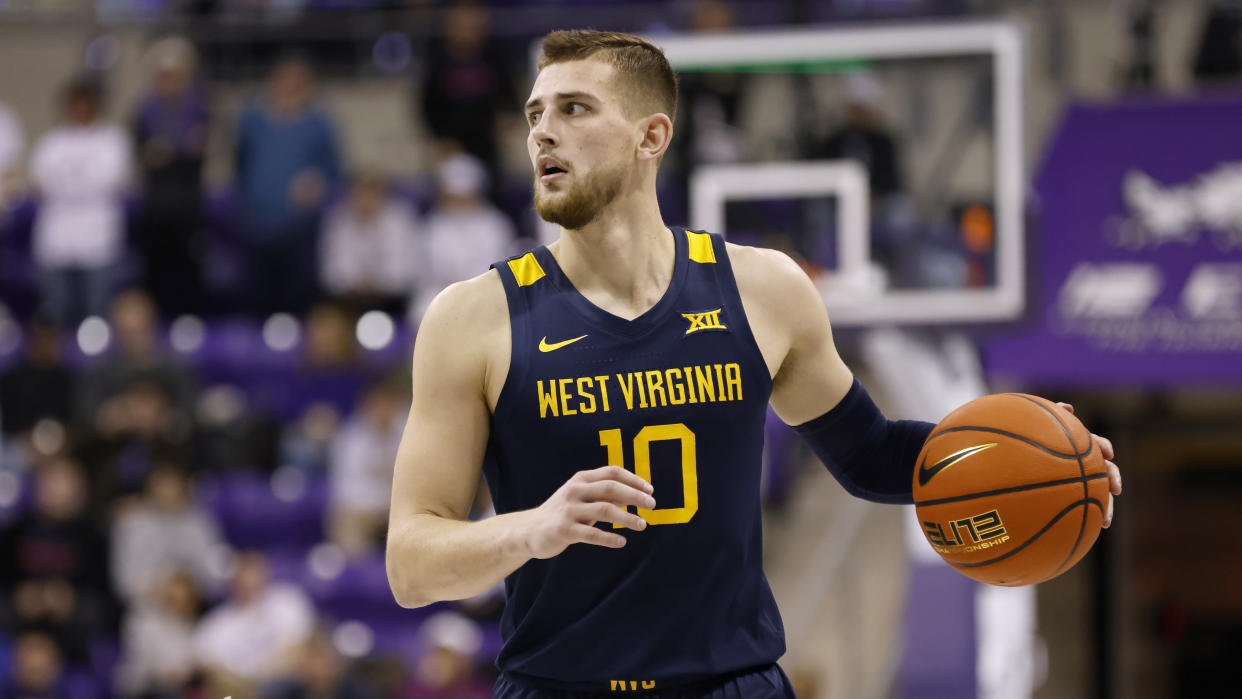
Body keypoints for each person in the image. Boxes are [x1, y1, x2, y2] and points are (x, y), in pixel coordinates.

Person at [384, 30, 1124, 698]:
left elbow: (868, 454)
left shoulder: (763, 289)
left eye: (574, 109)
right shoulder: (472, 316)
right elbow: (411, 563)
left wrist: (1044, 466)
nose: (544, 130)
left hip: (734, 685)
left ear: (652, 135)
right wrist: (532, 529)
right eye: (535, 113)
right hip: (557, 684)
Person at [234, 55, 341, 317]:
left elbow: (333, 171)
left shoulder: (319, 125)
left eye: (296, 82)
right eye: (283, 81)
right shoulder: (252, 122)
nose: (288, 87)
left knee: (297, 302)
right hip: (256, 228)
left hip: (300, 233)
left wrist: (317, 184)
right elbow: (241, 163)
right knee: (256, 302)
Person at [29, 76, 131, 327]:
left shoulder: (112, 140)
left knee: (96, 316)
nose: (81, 109)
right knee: (55, 315)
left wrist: (66, 183)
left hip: (97, 243)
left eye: (87, 103)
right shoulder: (51, 142)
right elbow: (40, 185)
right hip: (57, 242)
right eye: (76, 103)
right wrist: (83, 183)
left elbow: (111, 182)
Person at [132, 36, 211, 318]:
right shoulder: (145, 111)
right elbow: (146, 153)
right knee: (155, 278)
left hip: (188, 212)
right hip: (156, 211)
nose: (171, 82)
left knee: (191, 279)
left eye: (176, 76)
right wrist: (175, 151)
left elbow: (196, 147)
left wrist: (170, 152)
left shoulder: (200, 107)